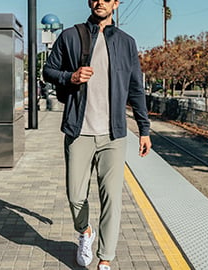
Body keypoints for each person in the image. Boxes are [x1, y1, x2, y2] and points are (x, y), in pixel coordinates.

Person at [43, 0, 151, 269]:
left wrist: (144, 129)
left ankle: (105, 259)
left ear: (116, 3)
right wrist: (71, 77)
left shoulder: (126, 42)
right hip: (79, 131)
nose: (100, 1)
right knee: (75, 195)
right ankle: (85, 232)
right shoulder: (70, 35)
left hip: (113, 135)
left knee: (112, 199)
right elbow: (48, 71)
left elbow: (136, 88)